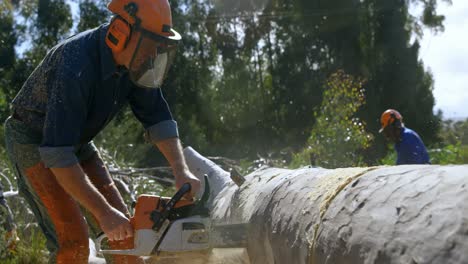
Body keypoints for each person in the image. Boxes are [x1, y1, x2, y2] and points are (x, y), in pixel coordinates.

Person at [3, 0, 200, 263]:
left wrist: (181, 170)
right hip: (33, 139)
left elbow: (157, 117)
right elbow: (57, 152)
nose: (152, 54)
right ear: (120, 31)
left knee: (126, 237)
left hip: (76, 142)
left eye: (158, 46)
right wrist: (103, 212)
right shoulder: (75, 64)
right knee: (73, 240)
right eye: (149, 44)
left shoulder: (137, 63)